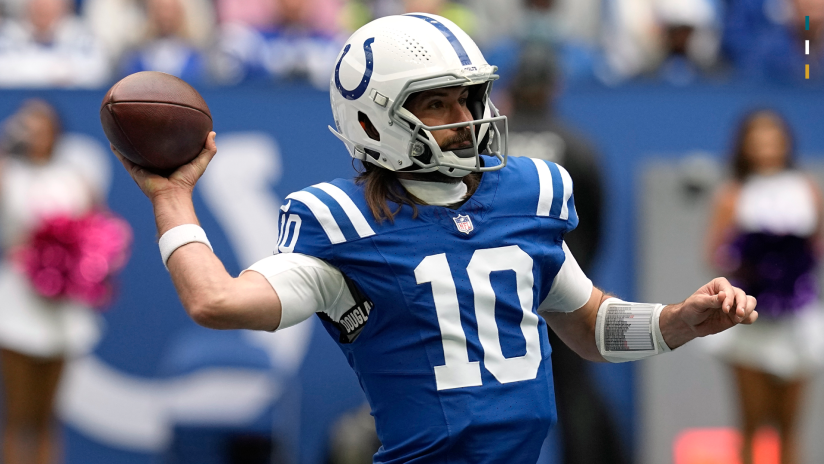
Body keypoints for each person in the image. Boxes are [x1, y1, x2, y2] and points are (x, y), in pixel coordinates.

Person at [115, 14, 757, 463]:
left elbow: (591, 326)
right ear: (371, 119)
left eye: (470, 99)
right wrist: (172, 197)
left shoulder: (523, 197)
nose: (465, 120)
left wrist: (679, 320)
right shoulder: (341, 226)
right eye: (437, 103)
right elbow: (216, 302)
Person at [705, 110, 824, 464]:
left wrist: (791, 257)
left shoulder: (807, 191)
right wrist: (753, 256)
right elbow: (715, 253)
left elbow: (818, 248)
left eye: (773, 137)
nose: (766, 146)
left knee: (790, 426)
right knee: (751, 422)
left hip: (798, 319)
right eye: (757, 138)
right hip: (749, 322)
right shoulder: (732, 195)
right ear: (743, 145)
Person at [0, 100, 105, 464]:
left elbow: (96, 227)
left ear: (55, 132)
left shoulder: (74, 179)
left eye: (40, 126)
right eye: (25, 125)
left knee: (48, 417)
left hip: (63, 305)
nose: (33, 134)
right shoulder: (7, 173)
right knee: (18, 416)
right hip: (17, 303)